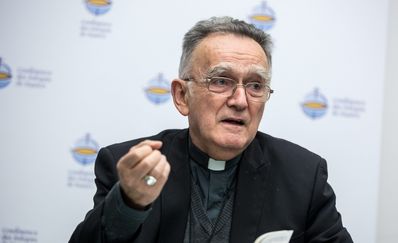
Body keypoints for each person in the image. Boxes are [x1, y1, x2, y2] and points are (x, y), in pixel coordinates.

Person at [70, 16, 353, 243]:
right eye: (221, 81)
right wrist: (129, 202)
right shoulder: (132, 168)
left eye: (256, 85)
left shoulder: (302, 175)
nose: (241, 101)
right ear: (182, 96)